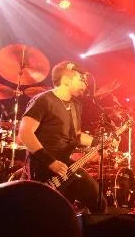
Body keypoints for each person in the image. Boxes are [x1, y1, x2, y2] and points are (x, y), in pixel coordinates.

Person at [17, 60, 104, 212]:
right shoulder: (43, 100)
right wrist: (50, 162)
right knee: (49, 212)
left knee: (98, 202)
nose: (85, 85)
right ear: (66, 80)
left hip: (65, 167)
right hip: (43, 168)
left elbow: (76, 136)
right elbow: (25, 134)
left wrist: (99, 142)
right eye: (81, 80)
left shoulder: (76, 105)